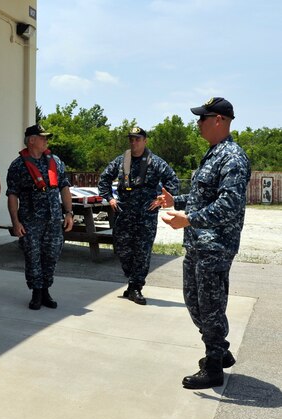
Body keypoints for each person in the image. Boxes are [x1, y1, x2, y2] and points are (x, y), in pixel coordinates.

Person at [156, 97, 250, 390]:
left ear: (219, 120)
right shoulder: (213, 154)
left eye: (202, 118)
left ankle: (213, 367)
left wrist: (189, 219)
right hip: (198, 244)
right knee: (195, 301)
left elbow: (229, 205)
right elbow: (203, 198)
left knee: (210, 305)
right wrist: (177, 202)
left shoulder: (232, 157)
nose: (198, 123)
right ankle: (219, 349)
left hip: (216, 246)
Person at [98, 126, 179, 305]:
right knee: (122, 249)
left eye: (137, 139)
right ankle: (132, 281)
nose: (134, 142)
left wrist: (161, 200)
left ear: (145, 141)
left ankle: (135, 287)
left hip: (146, 214)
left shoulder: (155, 162)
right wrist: (110, 199)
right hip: (124, 211)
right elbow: (103, 179)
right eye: (131, 139)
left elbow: (173, 181)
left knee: (142, 252)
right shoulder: (121, 161)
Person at [7, 124, 74, 310]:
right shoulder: (18, 165)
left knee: (52, 255)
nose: (46, 140)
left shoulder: (56, 162)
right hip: (30, 221)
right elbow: (12, 195)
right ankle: (36, 293)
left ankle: (46, 290)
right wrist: (15, 222)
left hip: (54, 220)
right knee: (32, 256)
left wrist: (69, 213)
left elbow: (64, 188)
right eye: (42, 137)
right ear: (31, 140)